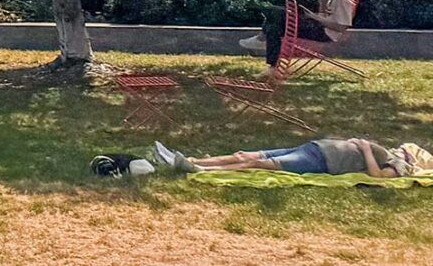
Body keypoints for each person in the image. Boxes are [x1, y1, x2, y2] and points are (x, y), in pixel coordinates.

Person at [153, 137, 425, 178]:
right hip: (314, 147)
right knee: (243, 154)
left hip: (322, 162)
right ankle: (187, 159)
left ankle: (200, 170)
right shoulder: (393, 150)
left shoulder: (399, 166)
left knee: (255, 164)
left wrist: (365, 149)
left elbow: (378, 177)